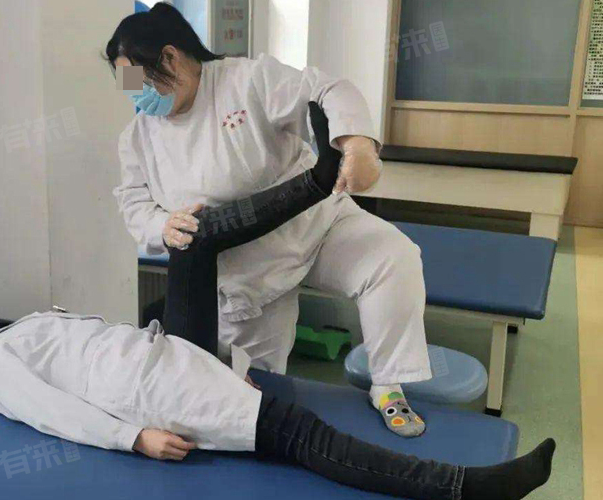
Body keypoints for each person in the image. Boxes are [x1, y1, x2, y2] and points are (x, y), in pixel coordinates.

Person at [0, 103, 554, 500]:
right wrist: (132, 438)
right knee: (306, 437)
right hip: (158, 396)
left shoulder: (18, 328)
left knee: (193, 236)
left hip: (168, 356)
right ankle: (466, 486)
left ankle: (318, 179)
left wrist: (211, 359)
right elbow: (48, 412)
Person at [109, 2, 431, 438]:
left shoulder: (245, 80)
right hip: (246, 274)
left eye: (139, 82)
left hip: (316, 226)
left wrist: (358, 145)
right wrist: (159, 226)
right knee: (253, 394)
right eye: (127, 87)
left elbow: (327, 89)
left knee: (392, 257)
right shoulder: (138, 137)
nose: (138, 97)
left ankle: (389, 384)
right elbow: (133, 203)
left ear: (170, 57)